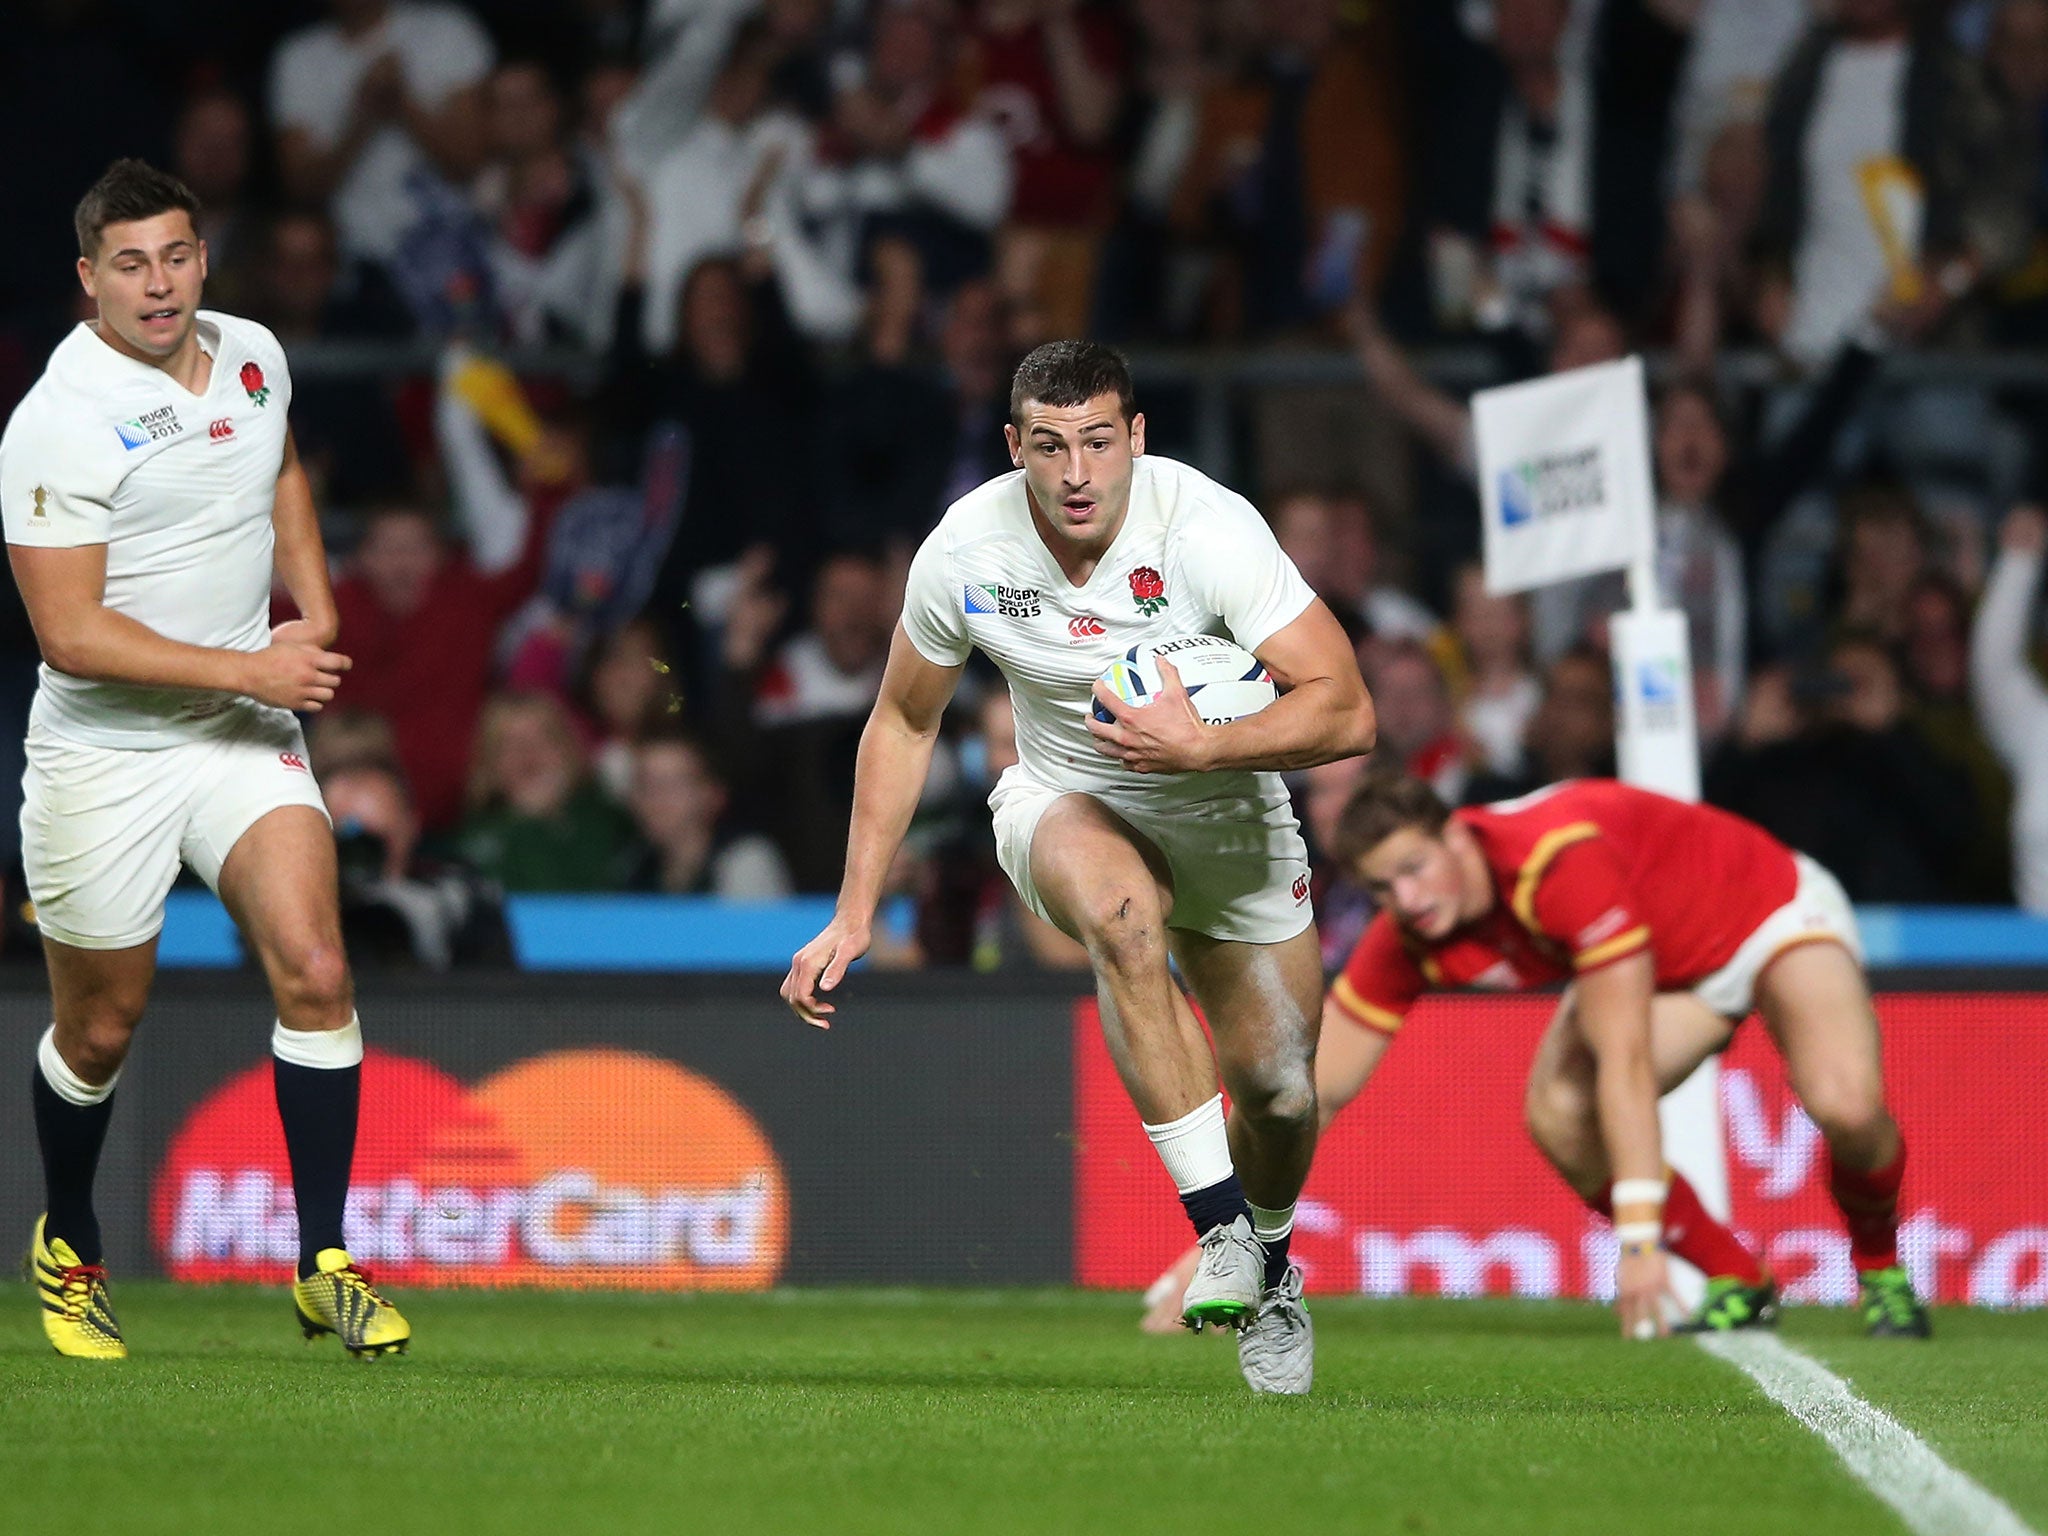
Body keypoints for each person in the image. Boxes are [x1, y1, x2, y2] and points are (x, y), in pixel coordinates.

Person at [781, 342, 1376, 1394]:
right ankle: (1218, 1231)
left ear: (1136, 439)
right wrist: (853, 910)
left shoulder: (1206, 529)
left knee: (1280, 1098)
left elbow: (1345, 707)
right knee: (1117, 914)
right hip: (1067, 798)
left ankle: (1272, 1266)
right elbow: (904, 720)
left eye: (1098, 442)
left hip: (1228, 814)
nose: (1074, 474)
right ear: (1014, 448)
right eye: (1048, 447)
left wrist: (1201, 747)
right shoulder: (964, 552)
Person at [0, 160, 409, 1359]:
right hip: (105, 756)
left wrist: (316, 609)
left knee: (317, 964)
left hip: (239, 733)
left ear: (202, 260)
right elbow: (69, 634)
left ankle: (324, 1259)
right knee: (101, 1031)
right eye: (130, 264)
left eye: (176, 255)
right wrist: (255, 671)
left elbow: (276, 466)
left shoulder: (253, 354)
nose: (158, 282)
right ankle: (69, 1241)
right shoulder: (55, 421)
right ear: (89, 282)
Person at [1147, 771, 1929, 1341]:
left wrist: (1640, 1244)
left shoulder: (1559, 865)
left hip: (1766, 911)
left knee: (1847, 1106)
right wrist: (1220, 1242)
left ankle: (1882, 1268)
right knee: (1559, 1114)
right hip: (1669, 964)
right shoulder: (1413, 930)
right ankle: (1737, 1274)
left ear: (1457, 835)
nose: (1408, 901)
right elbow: (1313, 1090)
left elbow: (1624, 1058)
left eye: (1416, 869)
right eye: (1384, 888)